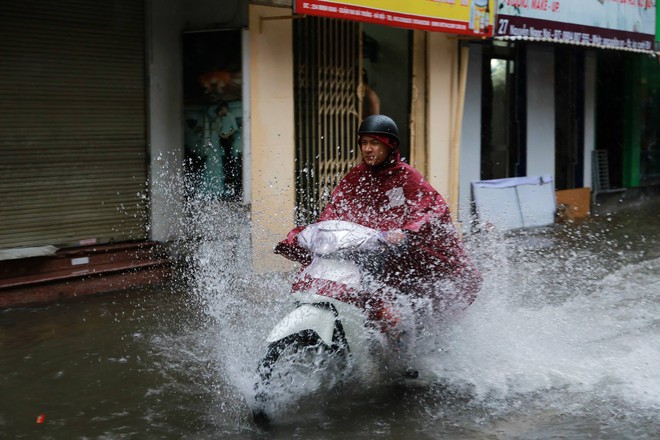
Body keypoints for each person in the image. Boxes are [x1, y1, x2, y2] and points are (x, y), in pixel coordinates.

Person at [275, 114, 482, 320]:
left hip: (399, 255)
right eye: (363, 143)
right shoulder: (356, 176)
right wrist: (319, 233)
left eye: (374, 143)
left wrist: (405, 232)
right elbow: (335, 210)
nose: (367, 149)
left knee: (389, 313)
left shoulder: (406, 176)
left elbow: (430, 210)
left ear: (389, 146)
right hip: (363, 249)